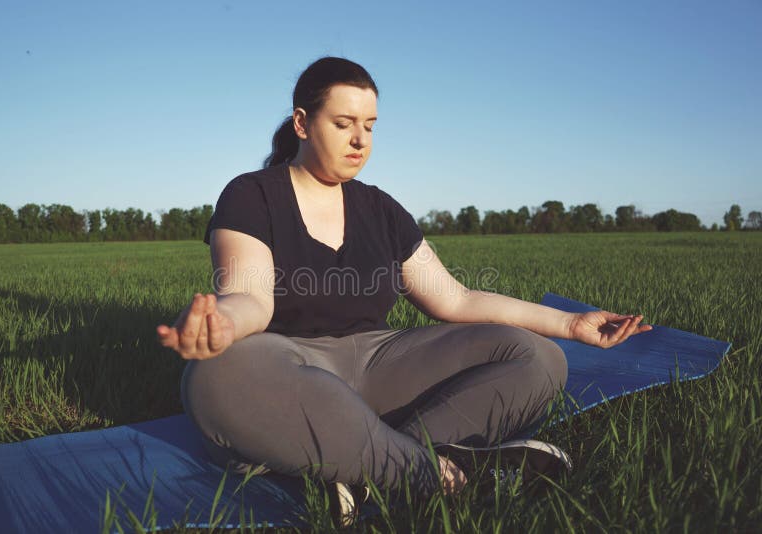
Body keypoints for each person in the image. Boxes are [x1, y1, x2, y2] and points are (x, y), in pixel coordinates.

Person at [156, 56, 652, 521]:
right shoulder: (252, 194)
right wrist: (224, 325)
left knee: (541, 357)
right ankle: (427, 468)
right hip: (290, 366)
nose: (359, 140)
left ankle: (372, 467)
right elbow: (252, 299)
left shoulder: (381, 209)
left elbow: (455, 299)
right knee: (214, 375)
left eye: (369, 127)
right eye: (343, 123)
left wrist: (569, 324)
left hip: (379, 363)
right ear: (303, 123)